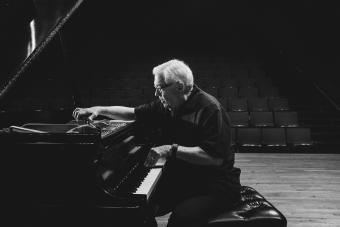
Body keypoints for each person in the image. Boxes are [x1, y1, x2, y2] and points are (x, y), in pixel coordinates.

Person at [72, 59, 242, 227]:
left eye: (159, 88)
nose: (156, 94)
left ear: (179, 86)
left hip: (215, 185)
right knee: (138, 208)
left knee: (181, 219)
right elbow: (133, 113)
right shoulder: (167, 106)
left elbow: (214, 158)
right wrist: (99, 109)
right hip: (185, 178)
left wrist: (170, 149)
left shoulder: (210, 109)